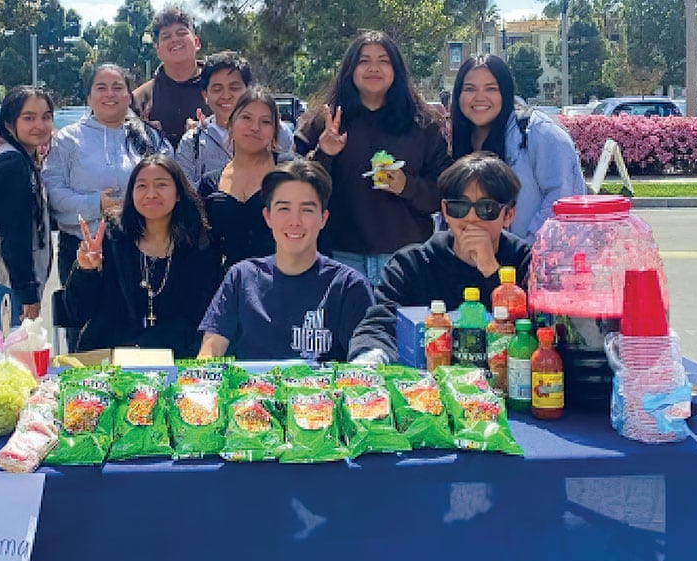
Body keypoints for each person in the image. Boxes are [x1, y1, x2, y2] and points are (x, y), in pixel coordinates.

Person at [295, 30, 452, 285]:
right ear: (350, 69)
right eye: (364, 60)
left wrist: (407, 186)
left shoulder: (423, 124)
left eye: (383, 60)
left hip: (405, 257)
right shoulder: (326, 120)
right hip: (339, 256)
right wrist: (324, 153)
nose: (373, 68)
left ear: (396, 70)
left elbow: (445, 192)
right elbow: (295, 185)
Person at [348, 152, 532, 366]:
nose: (470, 218)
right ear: (445, 210)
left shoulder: (526, 261)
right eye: (459, 206)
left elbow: (533, 334)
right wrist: (369, 357)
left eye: (486, 208)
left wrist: (492, 271)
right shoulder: (411, 264)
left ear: (508, 214)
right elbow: (381, 322)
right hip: (428, 389)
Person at [43, 63, 171, 346]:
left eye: (118, 88)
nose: (109, 94)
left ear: (129, 96)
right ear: (88, 97)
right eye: (101, 87)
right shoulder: (67, 140)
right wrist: (95, 205)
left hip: (141, 251)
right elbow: (52, 193)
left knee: (138, 329)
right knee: (86, 329)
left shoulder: (150, 138)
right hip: (84, 251)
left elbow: (173, 184)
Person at [198, 160, 373, 362]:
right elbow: (210, 351)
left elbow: (365, 361)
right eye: (284, 209)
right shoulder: (241, 277)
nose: (295, 221)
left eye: (307, 210)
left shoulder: (349, 286)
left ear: (323, 219)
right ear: (268, 217)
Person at [64, 154, 220, 358]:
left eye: (161, 185)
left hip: (175, 361)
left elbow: (200, 317)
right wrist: (85, 270)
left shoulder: (199, 246)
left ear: (179, 193)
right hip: (109, 361)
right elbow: (76, 313)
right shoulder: (111, 239)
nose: (151, 194)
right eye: (142, 186)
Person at [450, 54, 585, 242]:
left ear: (505, 93)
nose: (479, 97)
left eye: (491, 89)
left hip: (536, 262)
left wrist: (526, 254)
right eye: (470, 89)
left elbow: (562, 200)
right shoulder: (459, 139)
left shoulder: (538, 132)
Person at [0, 86, 54, 328]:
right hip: (2, 289)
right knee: (9, 364)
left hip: (2, 287)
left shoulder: (20, 159)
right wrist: (28, 293)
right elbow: (14, 236)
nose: (40, 125)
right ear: (8, 123)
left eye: (46, 117)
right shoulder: (12, 166)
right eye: (29, 118)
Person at [197, 88, 301, 275]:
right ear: (230, 124)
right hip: (231, 288)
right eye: (246, 118)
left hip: (287, 282)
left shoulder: (291, 171)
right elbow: (205, 249)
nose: (255, 127)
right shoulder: (210, 182)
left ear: (275, 130)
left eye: (265, 122)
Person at [176, 50, 294, 183]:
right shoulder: (192, 143)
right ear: (205, 95)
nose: (226, 96)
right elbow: (187, 195)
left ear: (248, 90)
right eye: (217, 89)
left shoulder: (276, 133)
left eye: (234, 88)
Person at [132, 6, 208, 149]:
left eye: (181, 33)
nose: (174, 39)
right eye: (166, 36)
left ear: (196, 42)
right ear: (158, 50)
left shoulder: (221, 90)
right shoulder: (140, 99)